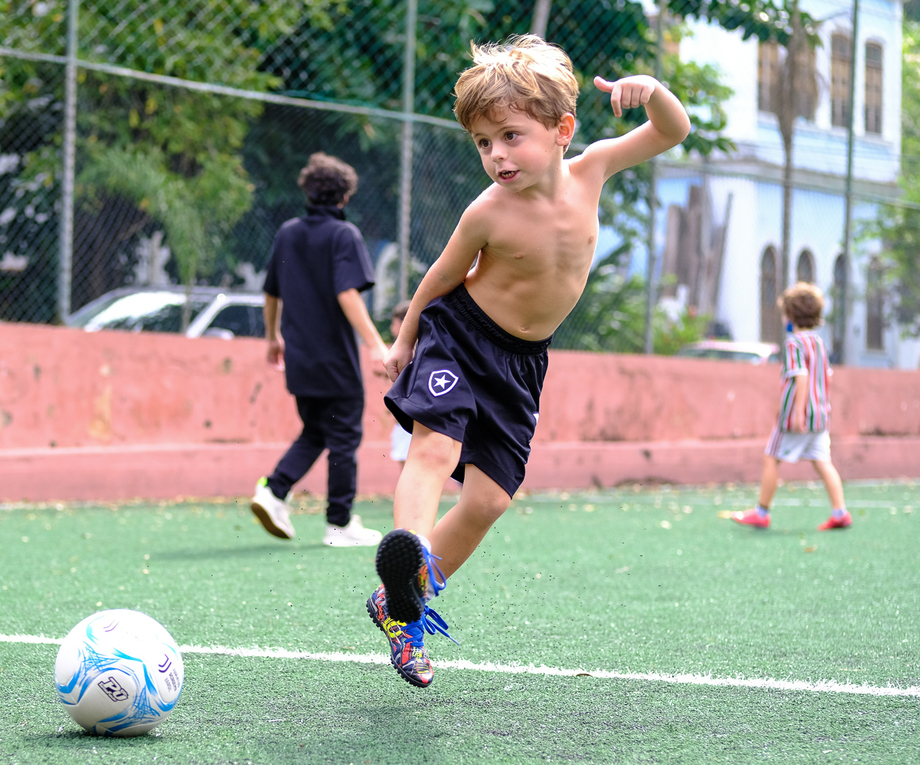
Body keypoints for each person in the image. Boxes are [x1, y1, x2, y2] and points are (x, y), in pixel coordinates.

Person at [367, 34, 691, 687]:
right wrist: (404, 340)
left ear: (563, 131)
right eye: (483, 143)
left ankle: (402, 600)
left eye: (511, 136)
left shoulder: (595, 168)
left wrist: (652, 91)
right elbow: (441, 276)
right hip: (459, 336)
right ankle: (406, 564)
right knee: (433, 450)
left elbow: (672, 131)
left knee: (488, 501)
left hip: (520, 363)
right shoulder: (486, 211)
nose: (497, 155)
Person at [251, 152, 390, 548]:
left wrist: (272, 337)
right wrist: (375, 344)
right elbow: (347, 292)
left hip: (299, 357)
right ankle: (339, 524)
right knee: (344, 438)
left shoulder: (288, 232)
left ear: (307, 192)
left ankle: (274, 490)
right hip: (336, 359)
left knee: (315, 431)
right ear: (344, 196)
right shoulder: (344, 235)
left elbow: (271, 292)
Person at [731, 282, 852, 532]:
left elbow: (801, 377)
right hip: (820, 417)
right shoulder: (818, 343)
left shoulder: (793, 343)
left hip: (797, 418)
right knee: (822, 461)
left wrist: (798, 413)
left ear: (791, 314)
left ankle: (762, 512)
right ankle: (840, 512)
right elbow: (826, 377)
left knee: (771, 458)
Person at [389, 301, 413, 472]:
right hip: (407, 417)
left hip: (411, 416)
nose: (392, 328)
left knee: (408, 464)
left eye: (394, 323)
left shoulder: (408, 351)